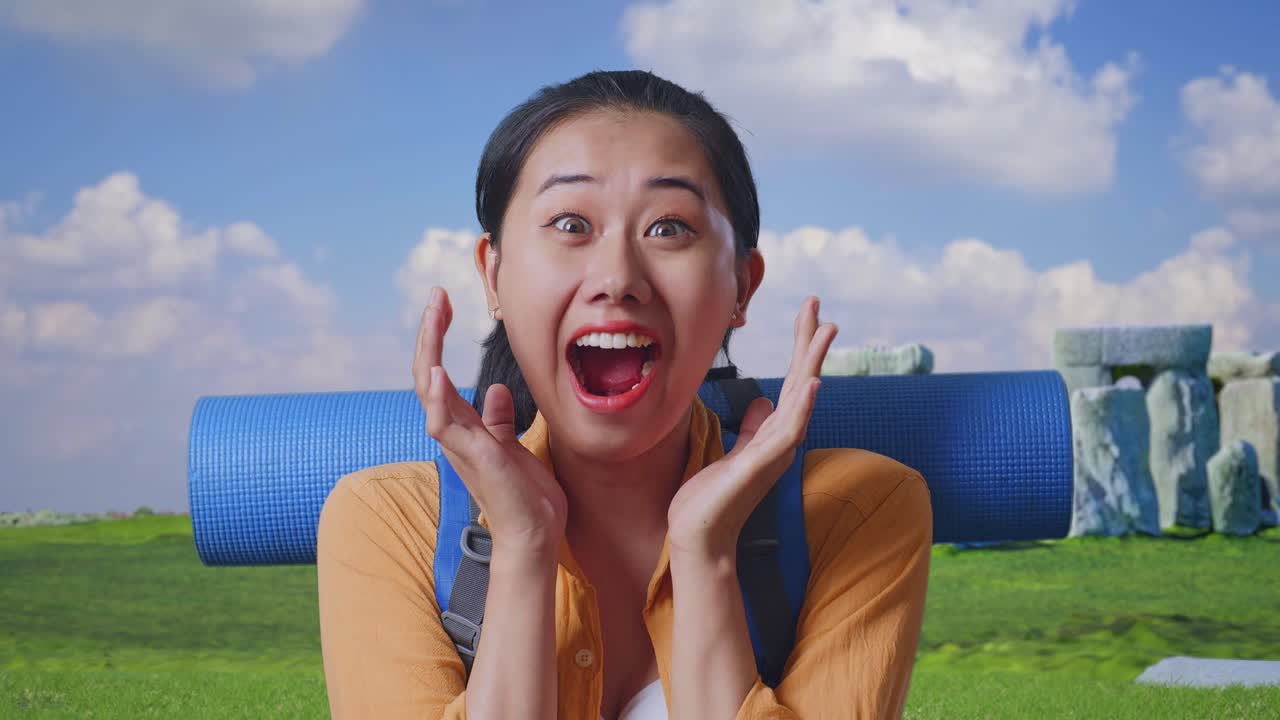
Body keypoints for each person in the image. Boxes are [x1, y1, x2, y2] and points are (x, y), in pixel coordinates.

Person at [317, 69, 933, 720]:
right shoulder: (384, 522)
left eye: (669, 228)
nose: (617, 278)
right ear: (492, 275)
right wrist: (524, 547)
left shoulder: (860, 512)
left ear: (741, 288)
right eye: (570, 223)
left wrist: (707, 553)